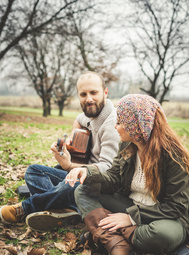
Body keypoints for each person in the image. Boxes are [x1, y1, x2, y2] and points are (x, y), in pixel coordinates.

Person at [66, 94, 189, 255]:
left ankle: (103, 234)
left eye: (120, 122)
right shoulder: (127, 146)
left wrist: (130, 217)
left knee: (161, 236)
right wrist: (88, 173)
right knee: (84, 190)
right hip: (132, 204)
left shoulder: (174, 157)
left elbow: (175, 207)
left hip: (169, 217)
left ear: (136, 126)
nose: (116, 126)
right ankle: (118, 244)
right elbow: (112, 179)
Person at [0, 71, 120, 231]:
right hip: (83, 176)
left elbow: (108, 170)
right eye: (83, 94)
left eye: (94, 93)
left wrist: (69, 166)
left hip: (100, 184)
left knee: (72, 184)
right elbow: (78, 119)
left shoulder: (112, 124)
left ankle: (25, 208)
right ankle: (69, 208)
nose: (89, 99)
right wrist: (73, 139)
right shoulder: (94, 113)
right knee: (33, 171)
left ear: (105, 92)